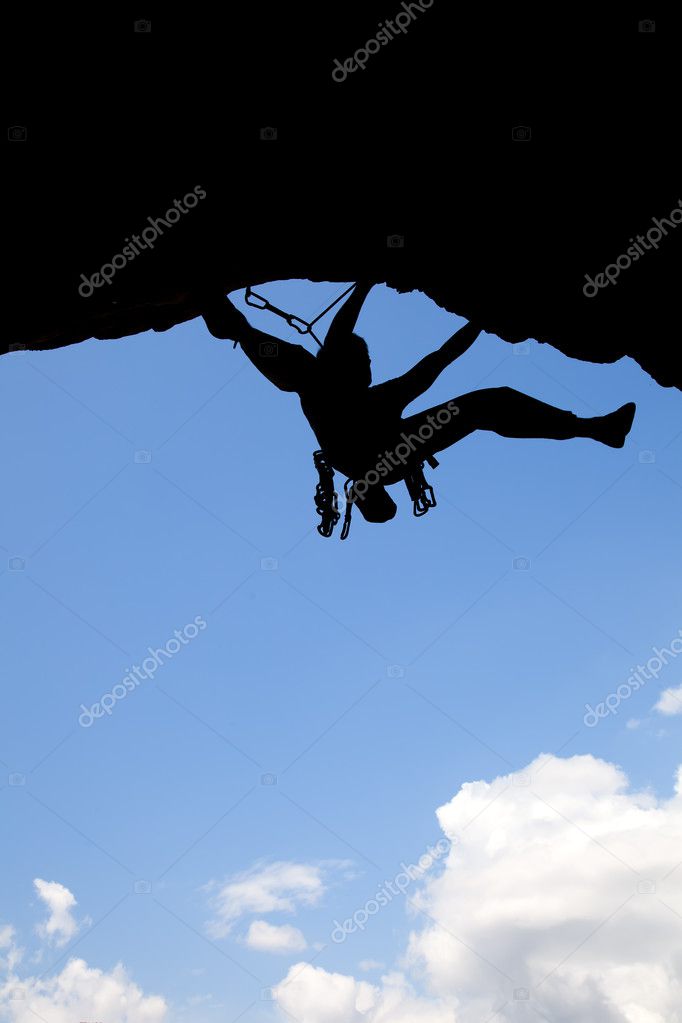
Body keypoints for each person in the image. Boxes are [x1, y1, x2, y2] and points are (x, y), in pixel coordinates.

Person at [201, 283, 636, 524]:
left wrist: (480, 322)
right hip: (385, 451)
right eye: (366, 360)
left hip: (382, 452)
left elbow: (435, 363)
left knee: (489, 402)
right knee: (487, 404)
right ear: (357, 366)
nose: (370, 366)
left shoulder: (352, 390)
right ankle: (594, 429)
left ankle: (595, 429)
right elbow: (429, 361)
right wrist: (367, 282)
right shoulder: (331, 381)